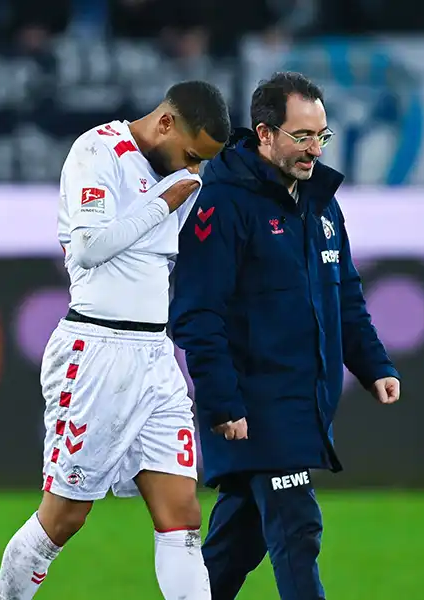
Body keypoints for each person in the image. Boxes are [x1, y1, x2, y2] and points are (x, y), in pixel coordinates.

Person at [0, 81, 231, 600]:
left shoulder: (182, 177)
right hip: (96, 351)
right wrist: (163, 202)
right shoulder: (98, 151)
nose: (194, 169)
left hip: (155, 356)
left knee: (182, 517)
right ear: (166, 123)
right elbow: (90, 248)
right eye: (191, 154)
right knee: (65, 517)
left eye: (203, 162)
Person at [169, 71, 401, 599]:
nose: (314, 148)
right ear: (265, 133)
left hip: (303, 405)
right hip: (254, 406)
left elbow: (343, 291)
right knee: (298, 529)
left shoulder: (321, 202)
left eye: (321, 135)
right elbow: (196, 314)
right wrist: (224, 402)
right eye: (302, 136)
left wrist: (374, 364)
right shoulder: (222, 203)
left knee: (233, 549)